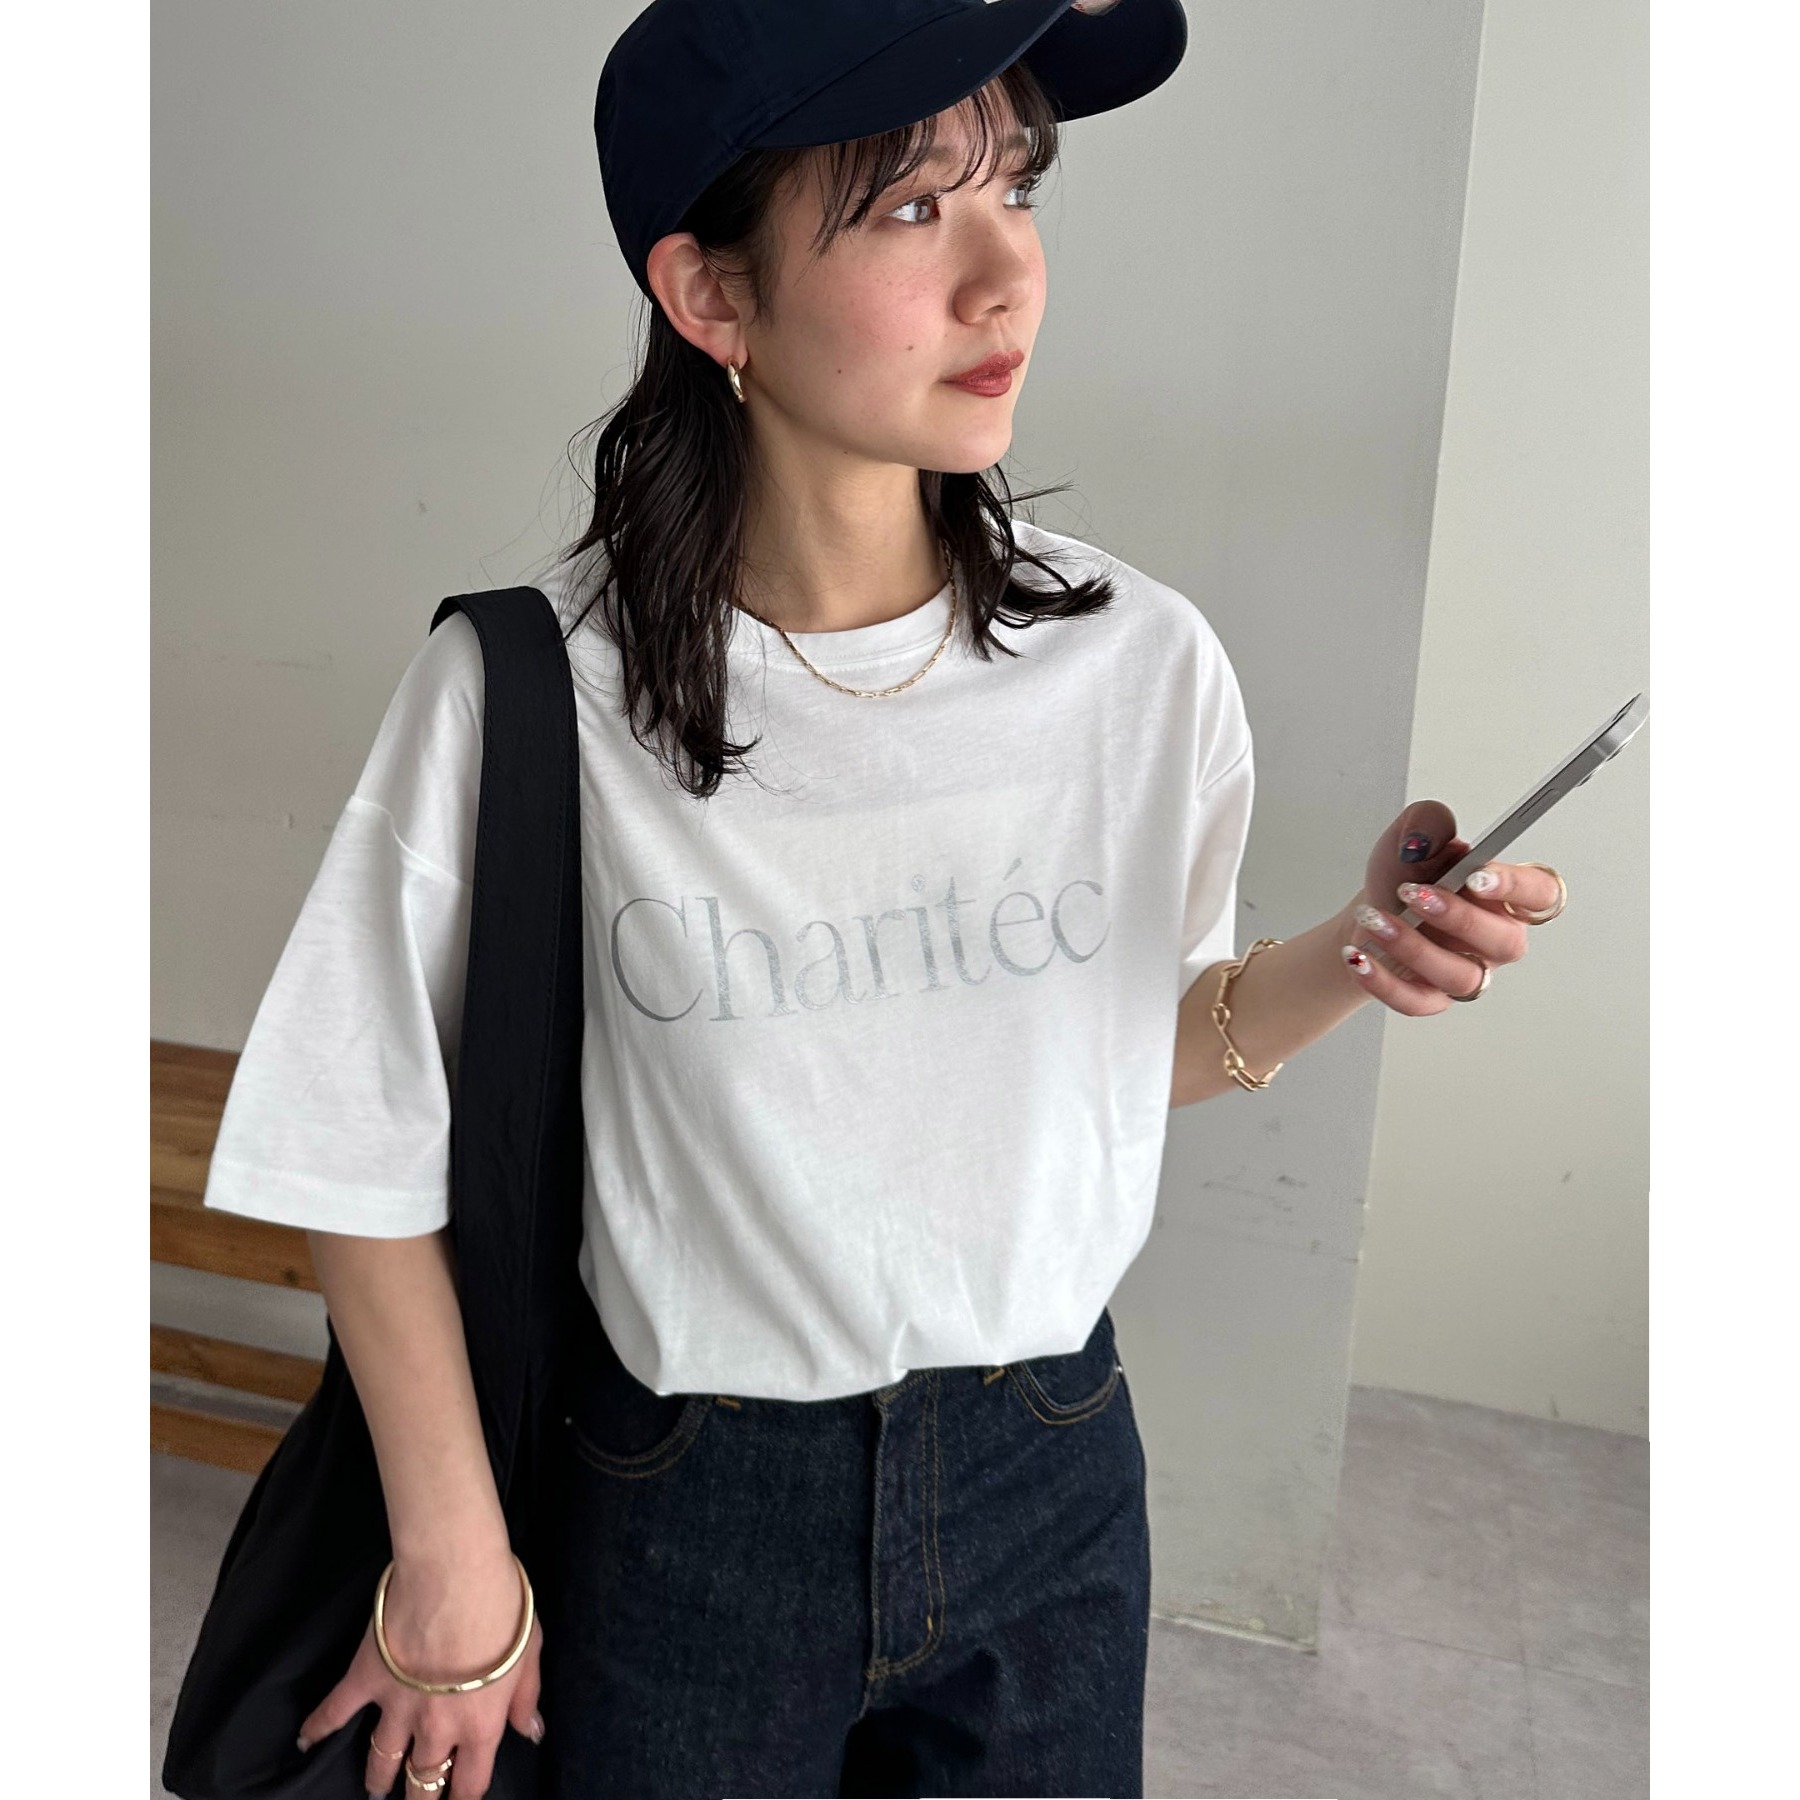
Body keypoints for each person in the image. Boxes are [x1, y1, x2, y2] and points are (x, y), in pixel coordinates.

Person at [198, 2, 1567, 1795]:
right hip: (685, 1502)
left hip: (1051, 1471)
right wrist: (452, 1556)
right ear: (713, 295)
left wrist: (1362, 954)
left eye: (1019, 188)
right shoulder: (530, 701)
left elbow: (1122, 1050)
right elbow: (351, 1147)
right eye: (915, 208)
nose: (1008, 277)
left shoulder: (1140, 666)